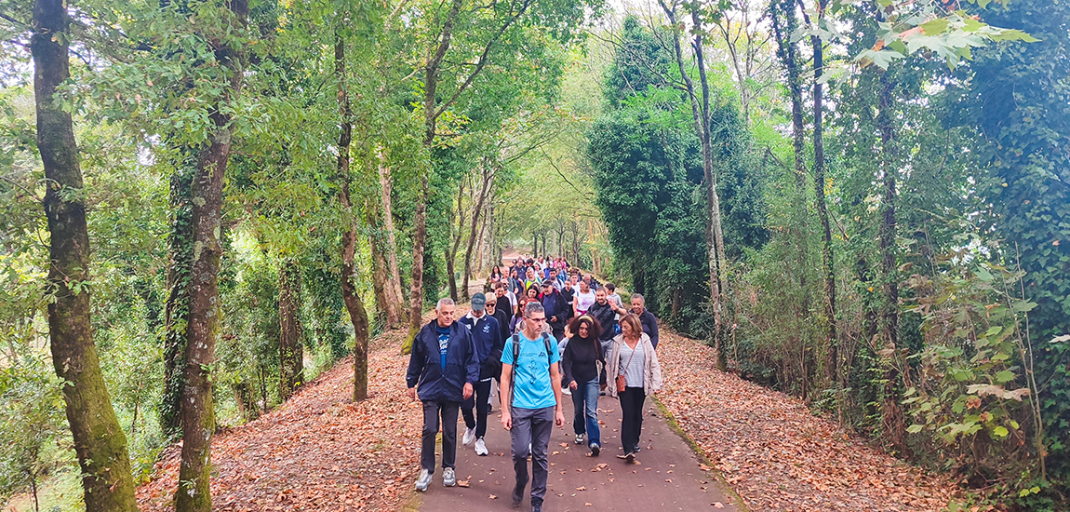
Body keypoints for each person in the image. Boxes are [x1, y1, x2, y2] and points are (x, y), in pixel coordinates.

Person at [406, 298, 478, 491]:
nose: (448, 317)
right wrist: (411, 382)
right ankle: (426, 469)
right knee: (430, 428)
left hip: (453, 387)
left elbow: (472, 359)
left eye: (451, 313)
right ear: (437, 312)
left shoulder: (462, 332)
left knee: (449, 430)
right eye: (445, 313)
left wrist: (469, 381)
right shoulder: (425, 333)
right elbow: (416, 359)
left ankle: (448, 467)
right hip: (431, 387)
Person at [500, 302, 565, 512]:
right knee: (520, 452)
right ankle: (521, 480)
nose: (540, 324)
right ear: (525, 319)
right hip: (521, 405)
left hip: (545, 405)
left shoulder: (550, 342)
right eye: (536, 320)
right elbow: (504, 378)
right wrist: (505, 411)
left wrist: (559, 409)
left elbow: (555, 376)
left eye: (542, 319)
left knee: (540, 453)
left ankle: (537, 498)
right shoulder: (513, 343)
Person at [606, 313, 662, 464]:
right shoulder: (618, 341)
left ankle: (634, 441)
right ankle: (628, 449)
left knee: (637, 415)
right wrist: (611, 384)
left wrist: (656, 383)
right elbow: (612, 364)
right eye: (622, 327)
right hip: (626, 385)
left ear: (634, 326)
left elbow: (653, 362)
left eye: (626, 327)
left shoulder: (645, 340)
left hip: (641, 384)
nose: (623, 330)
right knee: (628, 414)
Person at [458, 293, 503, 457]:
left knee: (482, 407)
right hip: (467, 371)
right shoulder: (462, 323)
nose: (477, 312)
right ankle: (470, 425)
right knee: (466, 404)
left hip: (485, 369)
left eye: (480, 309)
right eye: (475, 309)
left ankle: (480, 439)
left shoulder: (492, 323)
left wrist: (491, 361)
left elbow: (497, 346)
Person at [561, 316, 606, 456]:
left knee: (591, 411)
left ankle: (594, 441)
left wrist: (603, 380)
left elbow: (602, 361)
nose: (584, 331)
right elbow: (566, 361)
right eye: (581, 328)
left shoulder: (595, 342)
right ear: (577, 328)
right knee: (578, 409)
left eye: (587, 329)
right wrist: (570, 379)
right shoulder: (572, 342)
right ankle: (579, 431)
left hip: (591, 379)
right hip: (576, 379)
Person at [587, 288, 617, 356]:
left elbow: (624, 313)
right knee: (599, 361)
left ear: (606, 295)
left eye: (602, 295)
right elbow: (588, 320)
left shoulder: (611, 306)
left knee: (612, 360)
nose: (600, 297)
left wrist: (617, 308)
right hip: (597, 339)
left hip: (610, 339)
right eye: (598, 295)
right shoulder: (592, 307)